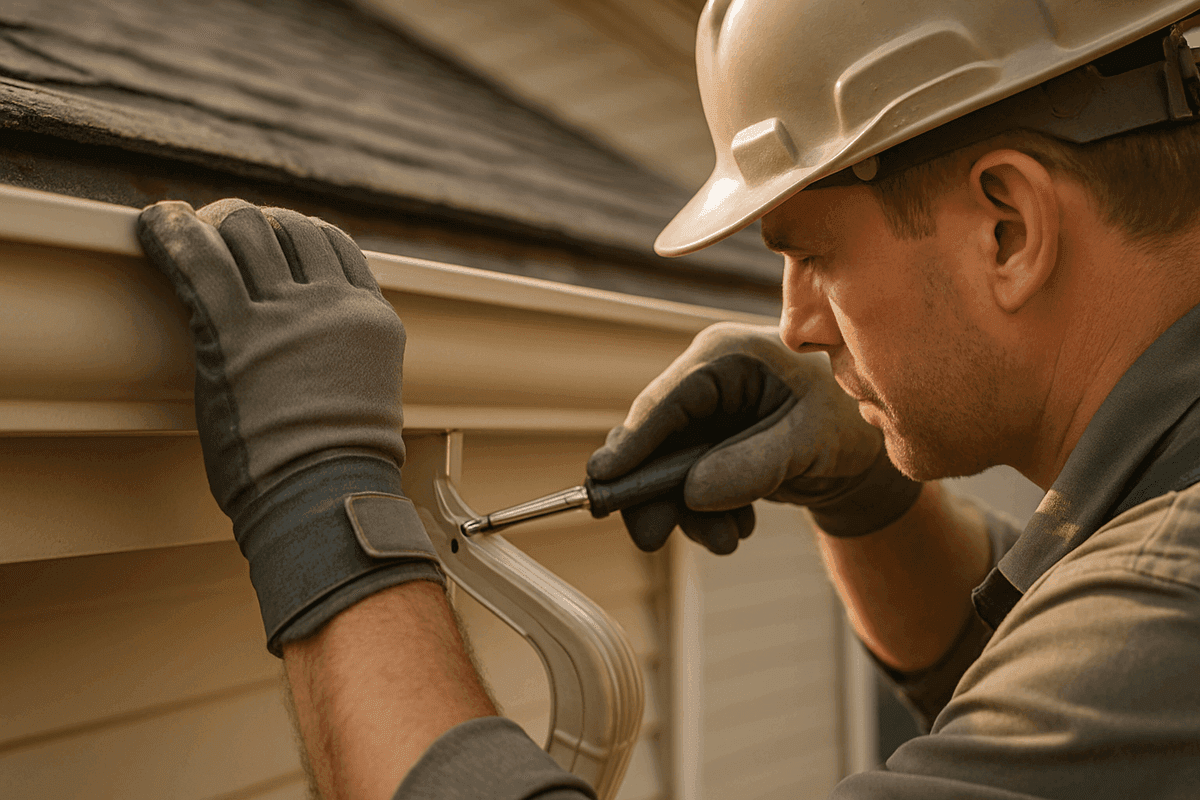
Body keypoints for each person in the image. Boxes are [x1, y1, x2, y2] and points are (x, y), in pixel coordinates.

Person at [136, 2, 1200, 798]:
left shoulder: (1168, 606)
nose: (796, 324)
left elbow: (1106, 674)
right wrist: (871, 496)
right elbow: (1051, 696)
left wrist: (324, 511)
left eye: (813, 254)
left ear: (1006, 229)